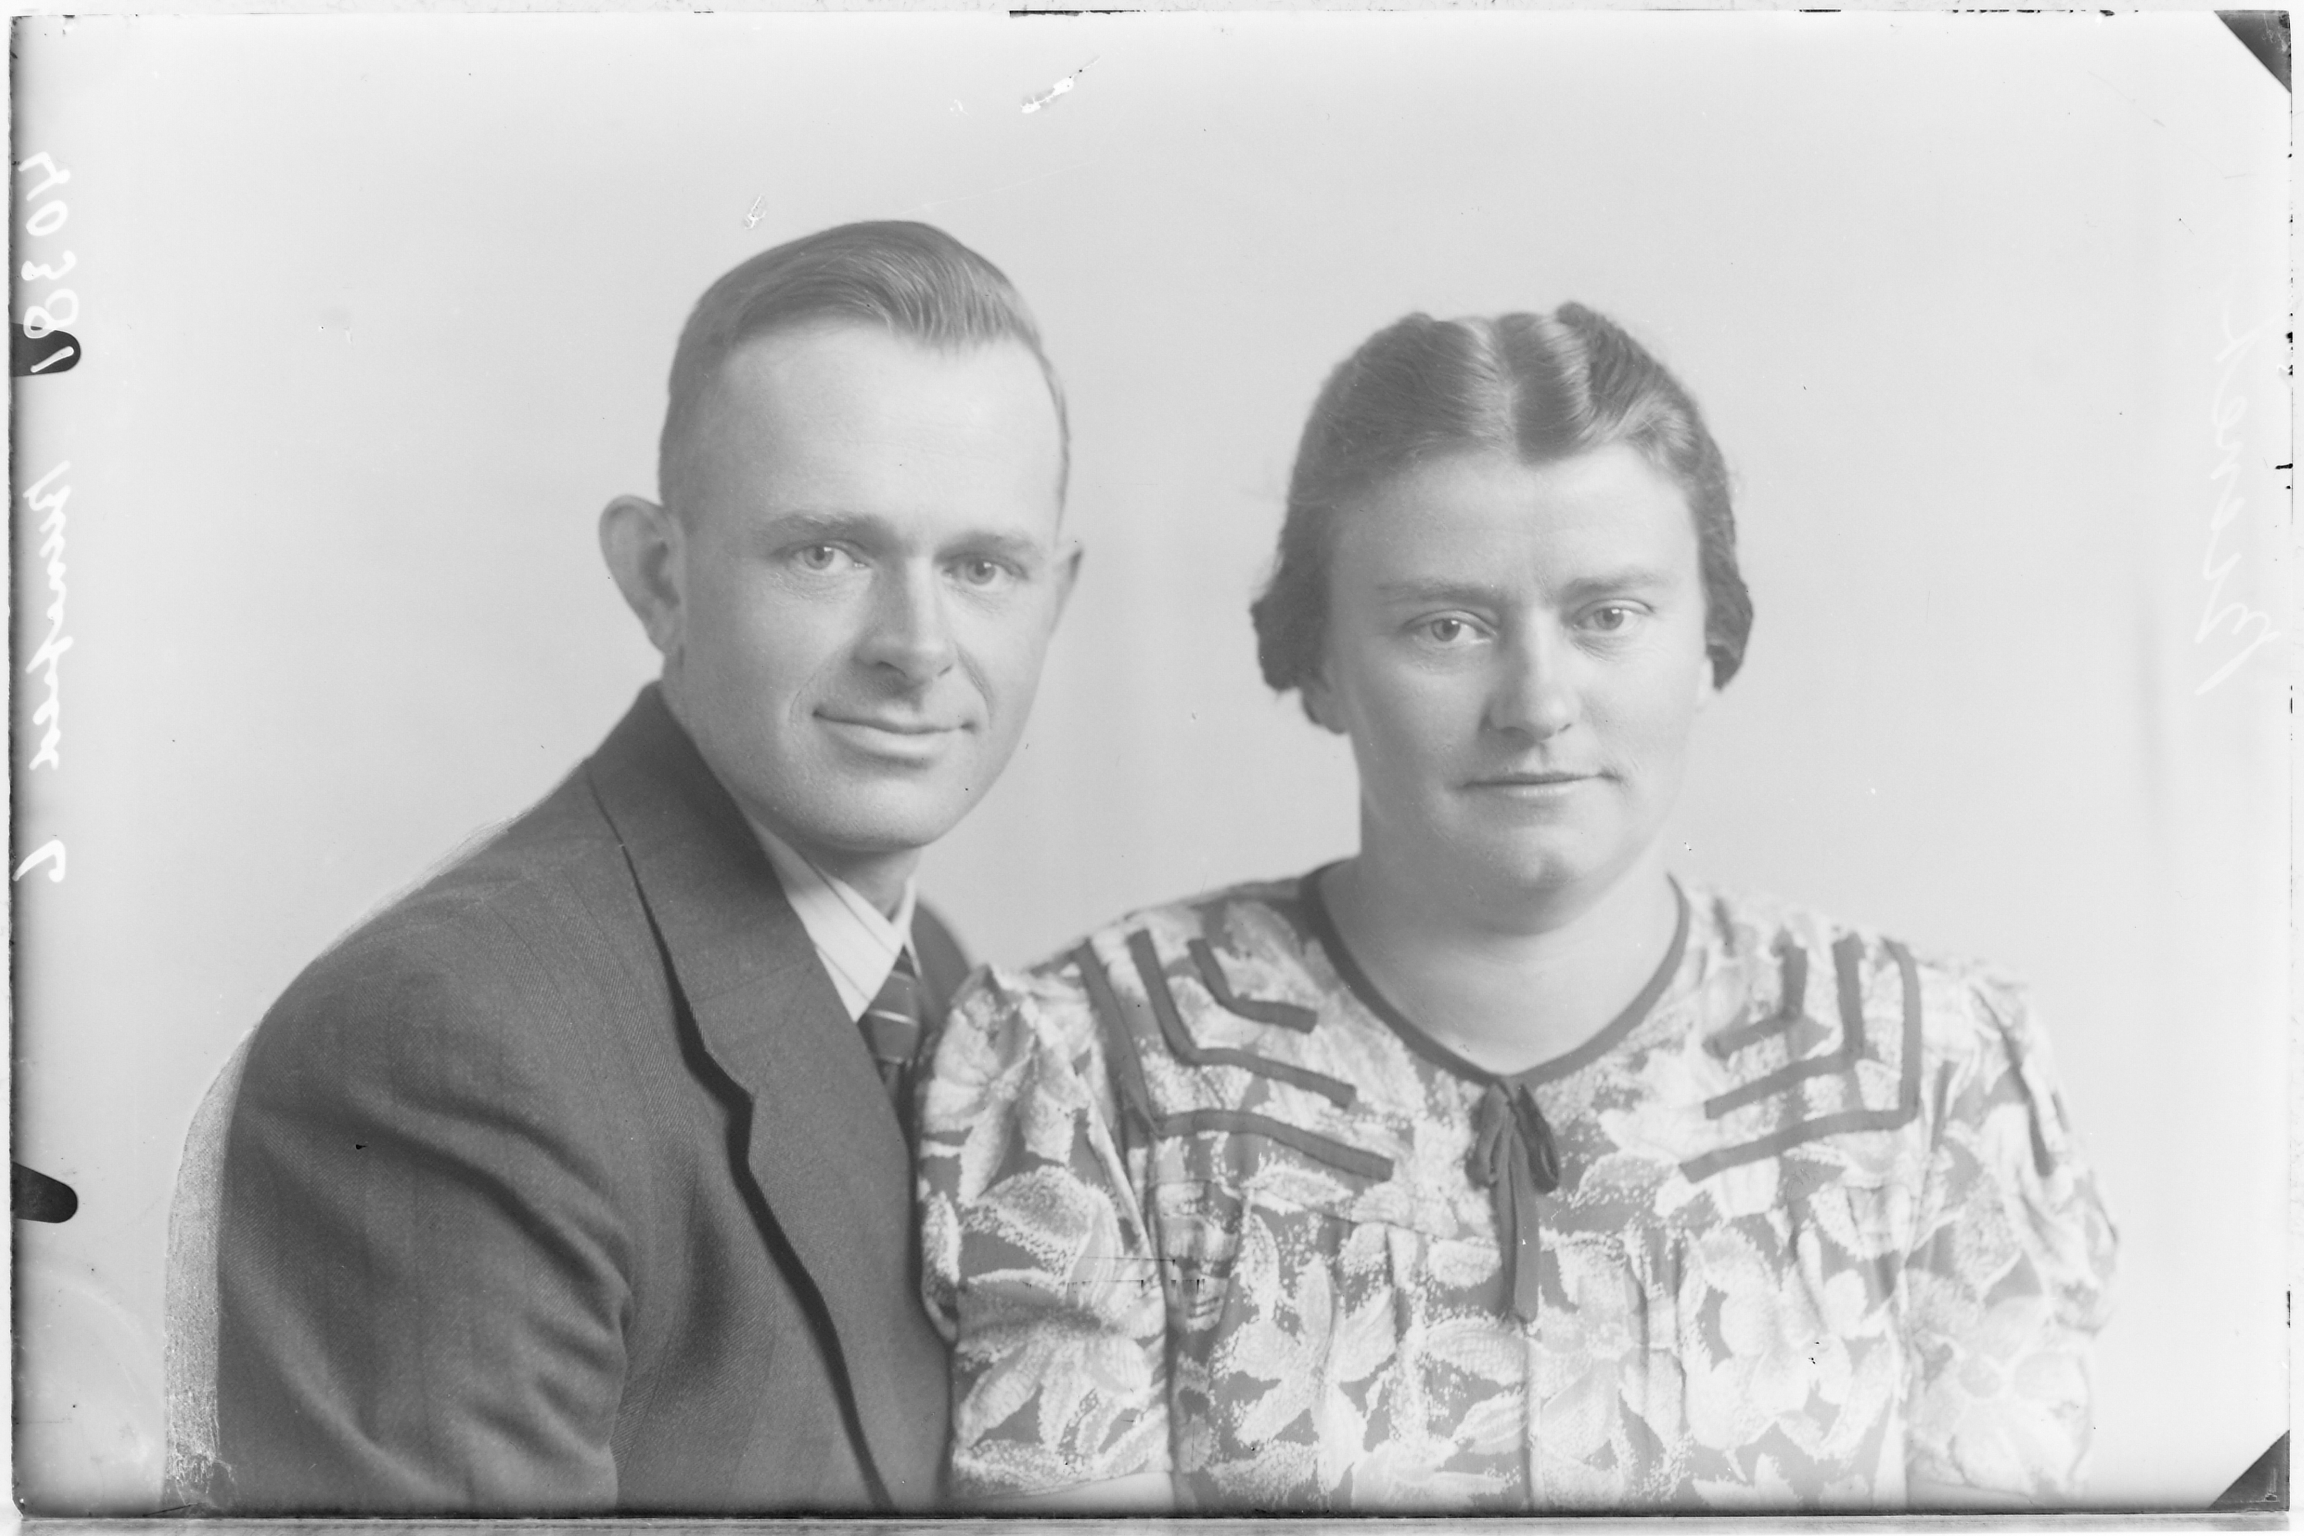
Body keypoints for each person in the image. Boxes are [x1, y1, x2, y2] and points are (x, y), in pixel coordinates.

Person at [918, 305, 2116, 1512]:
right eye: (1447, 626)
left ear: (1709, 641)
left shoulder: (1933, 1073)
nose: (1537, 703)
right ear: (1321, 661)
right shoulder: (1096, 1068)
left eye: (1608, 616)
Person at [209, 221, 1079, 1513]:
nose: (917, 645)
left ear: (1056, 596)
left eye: (982, 567)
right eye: (828, 552)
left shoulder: (924, 972)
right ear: (660, 579)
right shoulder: (447, 1048)